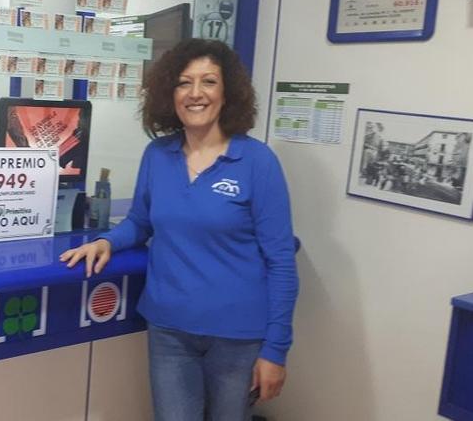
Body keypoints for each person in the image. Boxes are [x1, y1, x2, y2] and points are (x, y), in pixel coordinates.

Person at [60, 38, 299, 421]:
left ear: (227, 92)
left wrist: (276, 350)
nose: (195, 93)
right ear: (169, 94)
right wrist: (107, 240)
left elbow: (282, 262)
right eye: (184, 83)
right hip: (169, 329)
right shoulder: (158, 154)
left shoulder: (257, 161)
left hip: (237, 334)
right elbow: (141, 221)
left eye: (208, 82)